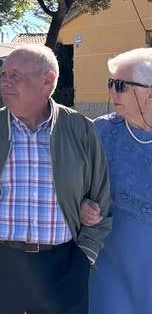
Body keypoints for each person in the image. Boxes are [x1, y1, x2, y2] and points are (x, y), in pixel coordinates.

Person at [0, 45, 111, 314]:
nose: (5, 82)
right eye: (3, 74)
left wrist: (85, 255)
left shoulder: (80, 129)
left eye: (16, 75)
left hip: (63, 267)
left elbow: (102, 199)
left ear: (48, 81)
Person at [75, 48, 152, 313]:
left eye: (120, 86)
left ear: (149, 92)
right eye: (111, 84)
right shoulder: (101, 132)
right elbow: (74, 185)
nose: (112, 92)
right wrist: (82, 205)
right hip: (112, 261)